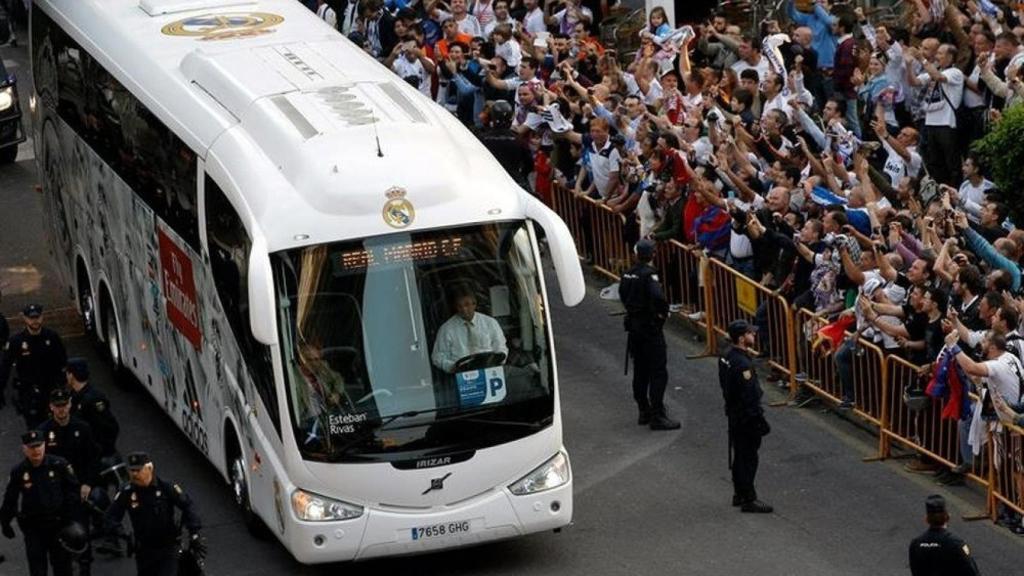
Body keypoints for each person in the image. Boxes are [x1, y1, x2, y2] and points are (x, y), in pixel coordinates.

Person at [104, 453, 204, 576]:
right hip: (144, 551)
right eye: (132, 470)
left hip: (168, 547)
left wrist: (194, 533)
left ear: (149, 468)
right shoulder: (127, 492)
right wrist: (122, 534)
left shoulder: (165, 486)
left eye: (138, 470)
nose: (134, 474)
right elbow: (110, 516)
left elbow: (188, 505)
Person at [619, 239, 680, 430]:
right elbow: (658, 297)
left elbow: (621, 294)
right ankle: (657, 414)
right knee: (658, 372)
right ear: (652, 255)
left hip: (634, 327)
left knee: (640, 370)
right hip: (649, 328)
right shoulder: (649, 275)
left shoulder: (627, 274)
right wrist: (662, 312)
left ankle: (643, 409)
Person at [0, 430, 80, 576]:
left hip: (58, 525)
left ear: (44, 445)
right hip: (34, 528)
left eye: (39, 446)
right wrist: (5, 522)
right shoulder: (19, 471)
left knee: (63, 568)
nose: (36, 450)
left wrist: (70, 518)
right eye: (31, 447)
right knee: (37, 570)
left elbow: (73, 490)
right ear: (24, 449)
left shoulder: (59, 465)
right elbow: (10, 498)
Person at [37, 389, 99, 576]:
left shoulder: (82, 428)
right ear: (51, 407)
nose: (61, 410)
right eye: (58, 406)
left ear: (70, 404)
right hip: (55, 493)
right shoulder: (44, 432)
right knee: (58, 535)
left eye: (64, 405)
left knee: (81, 531)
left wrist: (88, 483)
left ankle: (85, 567)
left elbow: (93, 458)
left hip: (78, 490)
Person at [718, 319, 772, 513]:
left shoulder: (726, 356)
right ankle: (748, 497)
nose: (754, 335)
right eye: (750, 333)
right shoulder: (742, 364)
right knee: (747, 457)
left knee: (740, 454)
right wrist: (758, 420)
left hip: (733, 413)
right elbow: (750, 395)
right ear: (742, 338)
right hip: (745, 417)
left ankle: (739, 493)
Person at [0, 304, 68, 428]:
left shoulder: (52, 337)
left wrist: (63, 386)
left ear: (42, 317)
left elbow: (63, 362)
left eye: (37, 317)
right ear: (25, 319)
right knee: (35, 431)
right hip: (29, 393)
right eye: (31, 318)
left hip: (50, 390)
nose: (35, 321)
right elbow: (5, 367)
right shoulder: (17, 341)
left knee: (56, 429)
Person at [431, 286, 508, 373]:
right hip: (461, 375)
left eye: (467, 304)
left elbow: (500, 347)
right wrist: (453, 368)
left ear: (474, 304)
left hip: (489, 371)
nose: (464, 309)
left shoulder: (490, 323)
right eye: (460, 306)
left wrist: (497, 363)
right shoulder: (447, 329)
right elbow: (437, 357)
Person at [908, 494, 980, 575]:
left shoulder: (915, 544)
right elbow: (972, 572)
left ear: (927, 519)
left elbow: (915, 571)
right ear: (947, 517)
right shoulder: (956, 544)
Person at [66, 358, 119, 460]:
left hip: (95, 456)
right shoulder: (73, 395)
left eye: (67, 373)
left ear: (71, 375)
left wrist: (99, 451)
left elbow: (110, 427)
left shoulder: (94, 399)